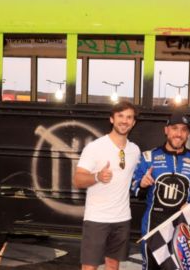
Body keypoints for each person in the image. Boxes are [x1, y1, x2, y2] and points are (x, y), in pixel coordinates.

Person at [131, 113, 190, 270]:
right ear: (166, 130)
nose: (179, 134)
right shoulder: (148, 157)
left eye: (183, 130)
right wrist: (142, 184)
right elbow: (133, 188)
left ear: (188, 134)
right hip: (153, 228)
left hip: (184, 229)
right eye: (174, 128)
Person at [73, 101, 141, 270]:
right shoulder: (95, 147)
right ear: (111, 119)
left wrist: (143, 181)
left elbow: (133, 180)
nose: (124, 121)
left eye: (129, 117)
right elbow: (78, 180)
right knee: (90, 267)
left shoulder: (135, 150)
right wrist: (97, 176)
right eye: (120, 116)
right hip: (97, 218)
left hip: (122, 218)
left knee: (113, 265)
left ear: (133, 122)